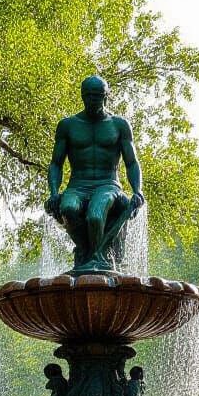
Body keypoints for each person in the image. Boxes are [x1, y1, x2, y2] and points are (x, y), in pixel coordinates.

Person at [45, 75, 144, 272]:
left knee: (96, 216)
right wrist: (54, 192)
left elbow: (132, 162)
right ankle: (87, 254)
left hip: (108, 184)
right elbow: (56, 163)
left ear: (106, 97)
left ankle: (97, 259)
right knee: (68, 208)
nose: (93, 101)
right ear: (82, 97)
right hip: (78, 185)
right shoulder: (68, 125)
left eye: (98, 97)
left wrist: (137, 190)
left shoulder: (119, 125)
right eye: (89, 96)